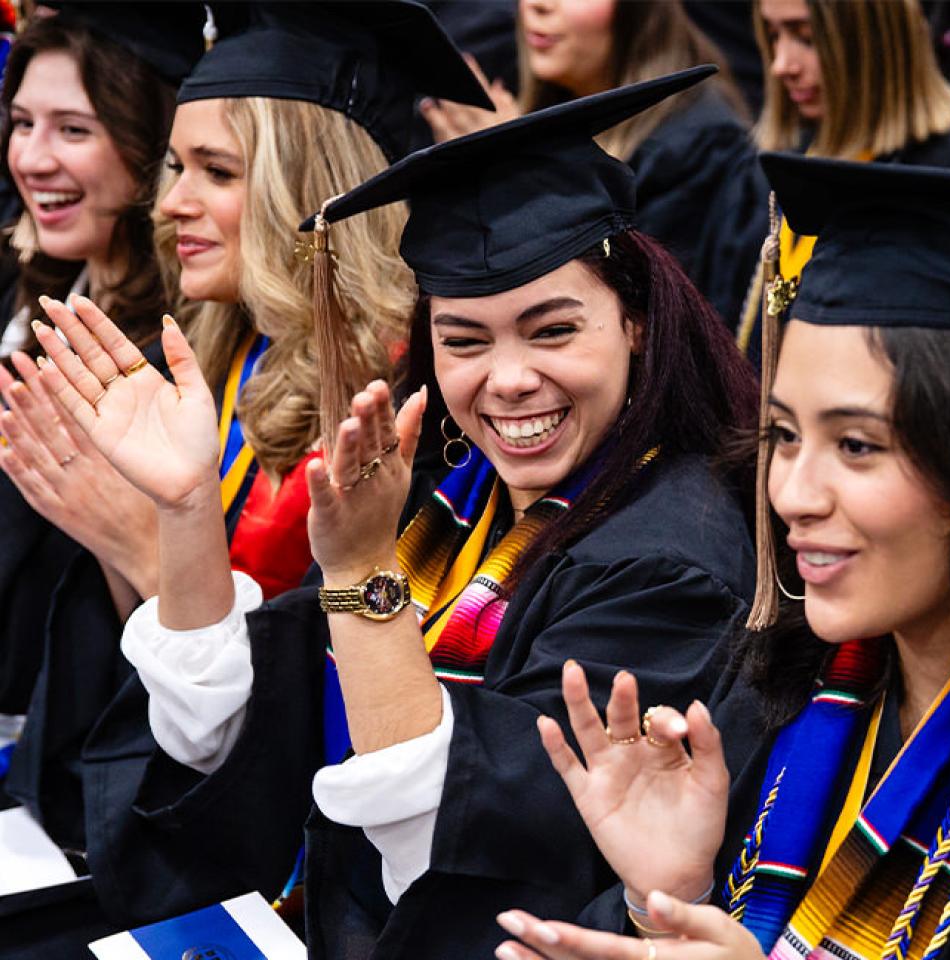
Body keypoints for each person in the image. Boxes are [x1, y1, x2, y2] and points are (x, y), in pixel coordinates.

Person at [38, 70, 758, 955]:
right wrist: (185, 506)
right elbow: (245, 726)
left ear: (637, 322)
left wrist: (358, 574)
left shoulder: (667, 561)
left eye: (554, 330)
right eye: (464, 339)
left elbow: (459, 845)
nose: (508, 378)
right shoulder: (451, 503)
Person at [0, 3, 491, 955]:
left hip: (332, 872)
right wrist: (128, 542)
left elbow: (319, 701)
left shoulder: (408, 412)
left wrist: (146, 544)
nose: (169, 201)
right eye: (176, 167)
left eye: (215, 173)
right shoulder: (229, 364)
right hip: (189, 824)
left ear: (310, 194)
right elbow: (171, 695)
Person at [494, 156, 950, 960]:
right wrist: (667, 895)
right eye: (782, 436)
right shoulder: (771, 696)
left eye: (856, 445)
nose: (793, 494)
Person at [0, 2, 206, 718]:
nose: (31, 157)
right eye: (22, 123)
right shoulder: (28, 299)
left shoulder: (182, 365)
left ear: (153, 138)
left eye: (73, 130)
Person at [421, 0, 769, 332]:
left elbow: (643, 317)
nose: (537, 5)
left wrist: (516, 170)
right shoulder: (547, 101)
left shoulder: (696, 145)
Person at [738, 0, 950, 365]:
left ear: (876, 37)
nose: (781, 65)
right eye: (774, 36)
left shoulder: (941, 177)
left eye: (807, 38)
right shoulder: (790, 164)